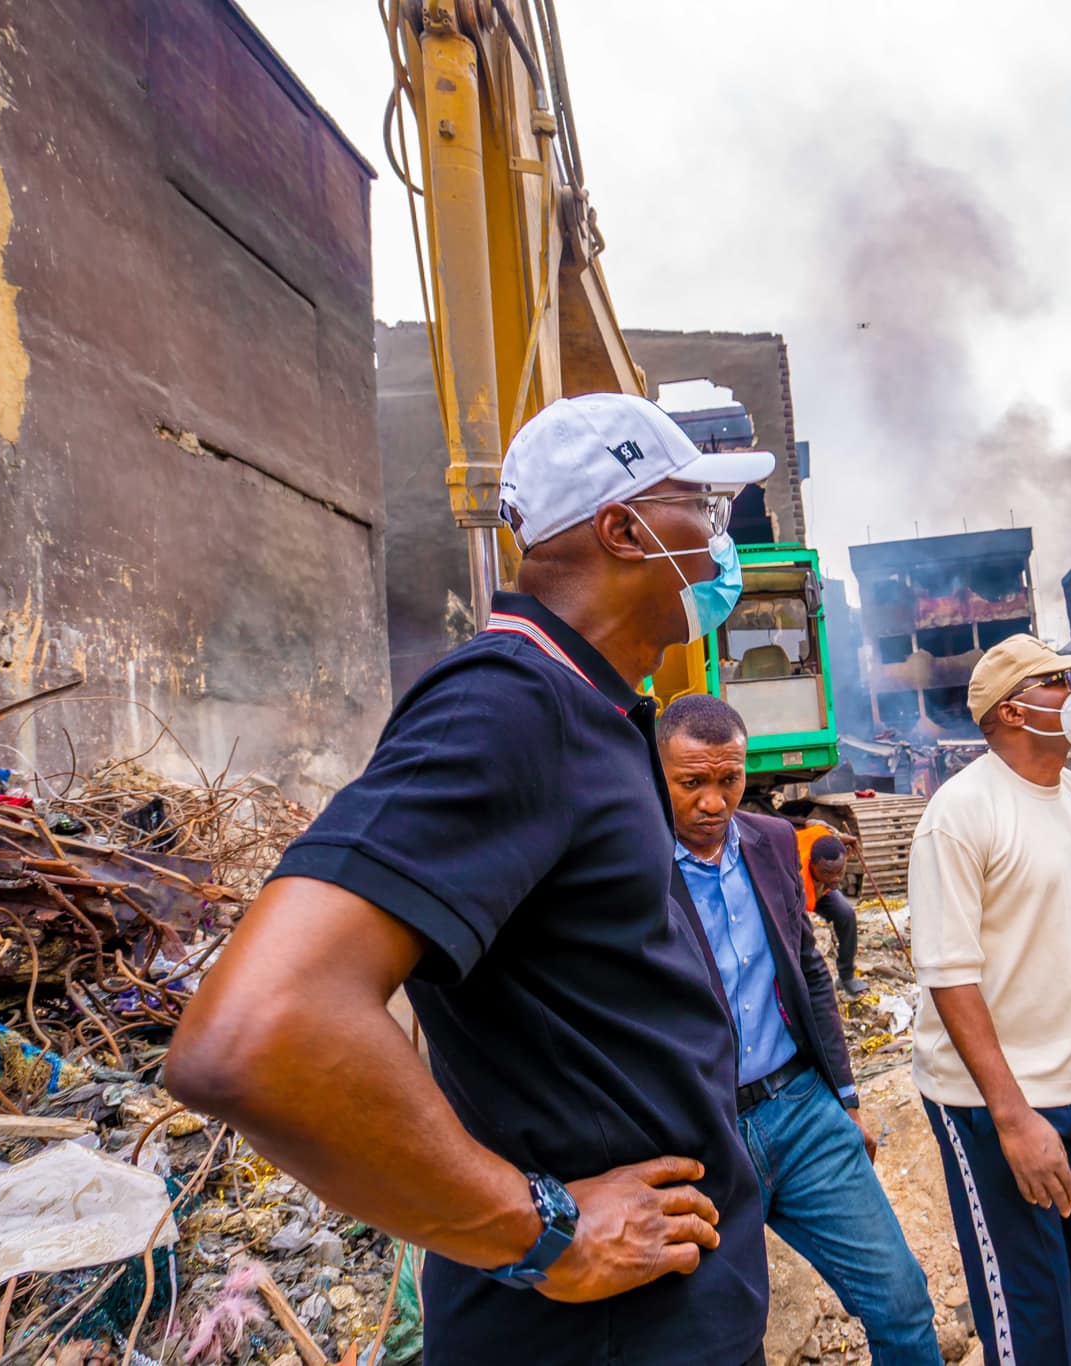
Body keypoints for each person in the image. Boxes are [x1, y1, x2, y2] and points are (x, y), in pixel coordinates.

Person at [168, 394, 776, 1366]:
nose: (719, 542)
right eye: (698, 509)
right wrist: (542, 1233)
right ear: (623, 529)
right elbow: (256, 1032)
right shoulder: (506, 707)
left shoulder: (595, 712)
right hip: (589, 1338)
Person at [659, 694, 941, 1365]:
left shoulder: (774, 842)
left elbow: (809, 970)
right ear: (657, 773)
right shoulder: (631, 862)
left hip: (801, 1110)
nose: (713, 802)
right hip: (703, 1136)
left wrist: (846, 1096)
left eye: (728, 780)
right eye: (691, 783)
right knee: (722, 1343)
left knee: (901, 1303)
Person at [906, 634, 1071, 1366]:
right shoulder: (962, 814)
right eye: (1058, 681)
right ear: (1011, 710)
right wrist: (1012, 1117)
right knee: (1029, 1317)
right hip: (991, 1105)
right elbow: (949, 973)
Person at [803, 833, 865, 996]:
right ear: (813, 865)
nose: (836, 878)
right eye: (828, 872)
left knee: (846, 915)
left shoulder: (825, 836)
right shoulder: (797, 878)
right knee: (803, 934)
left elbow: (814, 823)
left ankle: (846, 977)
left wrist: (839, 837)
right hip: (799, 890)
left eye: (839, 871)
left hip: (820, 888)